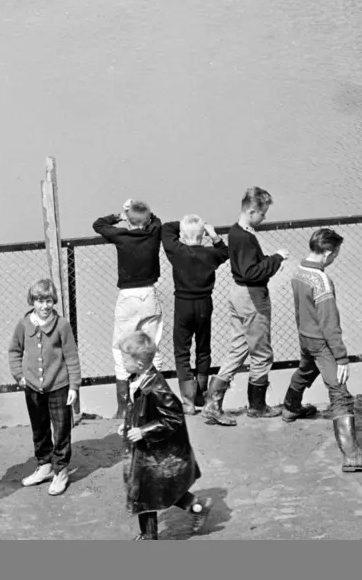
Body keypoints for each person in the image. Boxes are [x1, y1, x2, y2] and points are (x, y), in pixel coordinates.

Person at [282, 228, 362, 474]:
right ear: (328, 253)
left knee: (305, 370)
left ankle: (290, 407)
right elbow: (330, 323)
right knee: (339, 392)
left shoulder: (298, 271)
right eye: (336, 254)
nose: (335, 258)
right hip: (322, 342)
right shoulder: (321, 281)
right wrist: (341, 357)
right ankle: (352, 456)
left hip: (305, 336)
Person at [202, 187, 290, 426]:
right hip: (252, 296)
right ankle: (257, 406)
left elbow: (246, 267)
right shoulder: (246, 237)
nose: (265, 218)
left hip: (237, 293)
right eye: (263, 214)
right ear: (252, 211)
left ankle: (212, 403)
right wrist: (277, 259)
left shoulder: (236, 231)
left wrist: (269, 261)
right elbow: (251, 272)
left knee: (238, 347)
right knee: (262, 353)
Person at [119, 330, 208, 541]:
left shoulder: (156, 387)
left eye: (125, 359)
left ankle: (149, 537)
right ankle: (197, 507)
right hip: (147, 451)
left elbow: (173, 417)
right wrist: (128, 425)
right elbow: (140, 410)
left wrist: (143, 431)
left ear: (139, 364)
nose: (122, 362)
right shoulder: (138, 378)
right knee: (158, 491)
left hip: (156, 453)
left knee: (147, 494)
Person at [93, 200, 165, 420]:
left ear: (129, 221)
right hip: (149, 295)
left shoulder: (121, 235)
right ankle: (154, 398)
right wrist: (142, 216)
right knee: (151, 345)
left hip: (127, 297)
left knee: (120, 347)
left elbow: (98, 224)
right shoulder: (153, 233)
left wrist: (120, 214)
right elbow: (157, 221)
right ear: (147, 220)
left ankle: (124, 407)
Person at [9, 279, 81, 497]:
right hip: (32, 387)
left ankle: (61, 470)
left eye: (48, 300)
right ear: (33, 301)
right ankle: (44, 465)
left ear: (54, 301)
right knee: (39, 428)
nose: (44, 306)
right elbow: (14, 351)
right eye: (40, 301)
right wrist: (19, 376)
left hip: (58, 385)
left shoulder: (62, 325)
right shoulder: (23, 325)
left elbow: (71, 357)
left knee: (61, 430)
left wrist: (74, 386)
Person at [162, 215, 229, 415]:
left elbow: (166, 229)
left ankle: (188, 402)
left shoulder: (177, 251)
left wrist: (182, 222)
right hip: (204, 304)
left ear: (182, 235)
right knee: (203, 349)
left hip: (183, 304)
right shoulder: (210, 254)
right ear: (203, 236)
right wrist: (213, 234)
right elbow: (225, 252)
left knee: (182, 351)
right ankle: (201, 393)